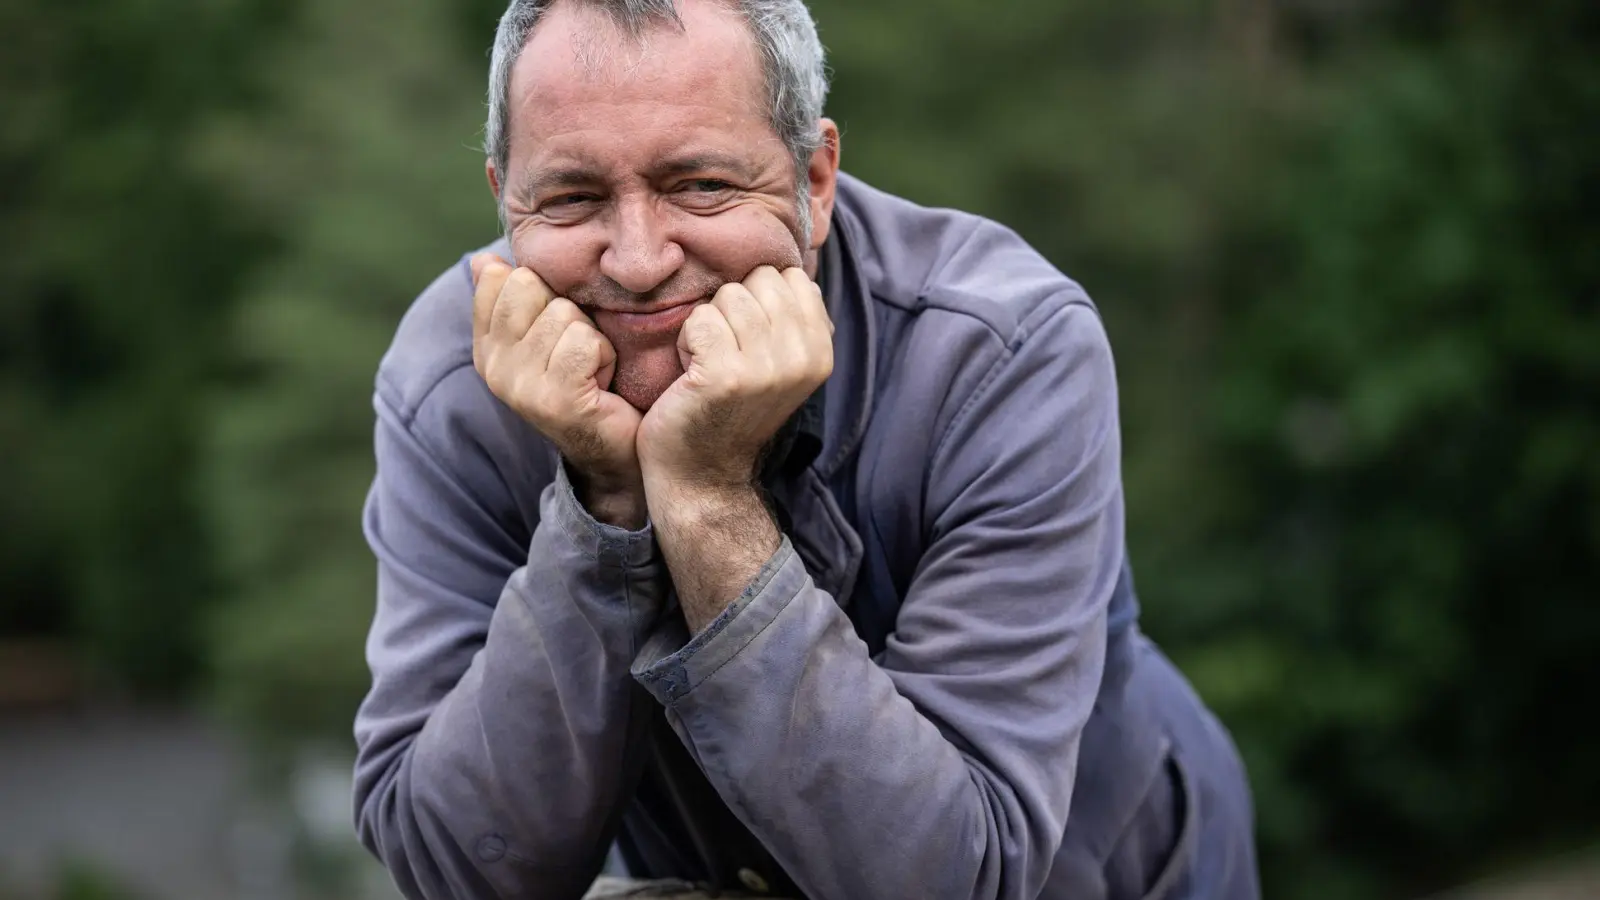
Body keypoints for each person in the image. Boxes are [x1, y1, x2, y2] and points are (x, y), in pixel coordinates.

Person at [352, 0, 1260, 897]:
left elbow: (957, 878)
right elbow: (451, 867)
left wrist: (706, 499)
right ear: (504, 199)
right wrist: (603, 505)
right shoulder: (448, 380)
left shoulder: (1001, 351)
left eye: (700, 185)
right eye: (572, 196)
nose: (635, 260)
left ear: (813, 181)